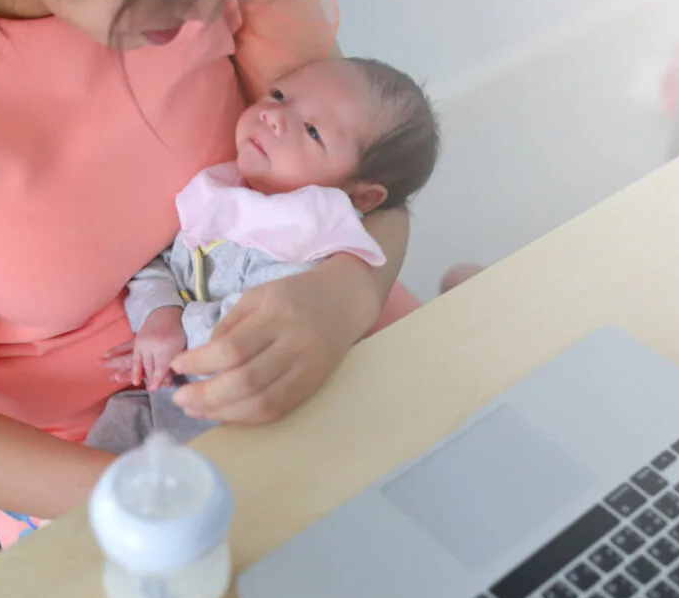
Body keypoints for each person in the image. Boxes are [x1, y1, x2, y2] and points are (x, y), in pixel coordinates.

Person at [0, 0, 413, 548]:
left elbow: (373, 189)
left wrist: (347, 296)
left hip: (304, 307)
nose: (212, 5)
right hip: (85, 449)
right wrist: (172, 497)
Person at [85, 56, 439, 453]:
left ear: (360, 196)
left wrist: (181, 330)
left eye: (312, 131)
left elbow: (251, 336)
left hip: (256, 404)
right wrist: (159, 314)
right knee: (103, 451)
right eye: (279, 95)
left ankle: (462, 281)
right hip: (168, 396)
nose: (273, 116)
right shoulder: (225, 193)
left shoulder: (308, 244)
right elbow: (159, 260)